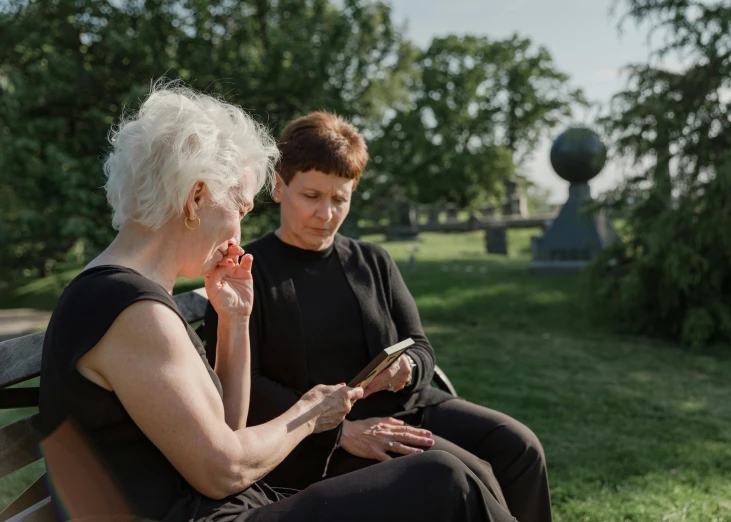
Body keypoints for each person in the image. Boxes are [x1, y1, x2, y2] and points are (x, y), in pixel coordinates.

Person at [37, 83, 515, 522]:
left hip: (222, 507)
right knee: (444, 481)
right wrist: (308, 415)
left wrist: (235, 320)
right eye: (240, 209)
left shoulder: (129, 296)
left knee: (453, 473)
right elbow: (222, 470)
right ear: (196, 198)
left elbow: (226, 426)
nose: (239, 233)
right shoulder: (128, 308)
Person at [203, 111, 553, 522]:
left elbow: (421, 346)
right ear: (279, 186)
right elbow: (244, 384)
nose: (326, 214)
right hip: (317, 438)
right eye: (312, 196)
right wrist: (334, 429)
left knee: (520, 447)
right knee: (472, 476)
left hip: (412, 405)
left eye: (340, 199)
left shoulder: (372, 260)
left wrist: (409, 365)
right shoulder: (248, 271)